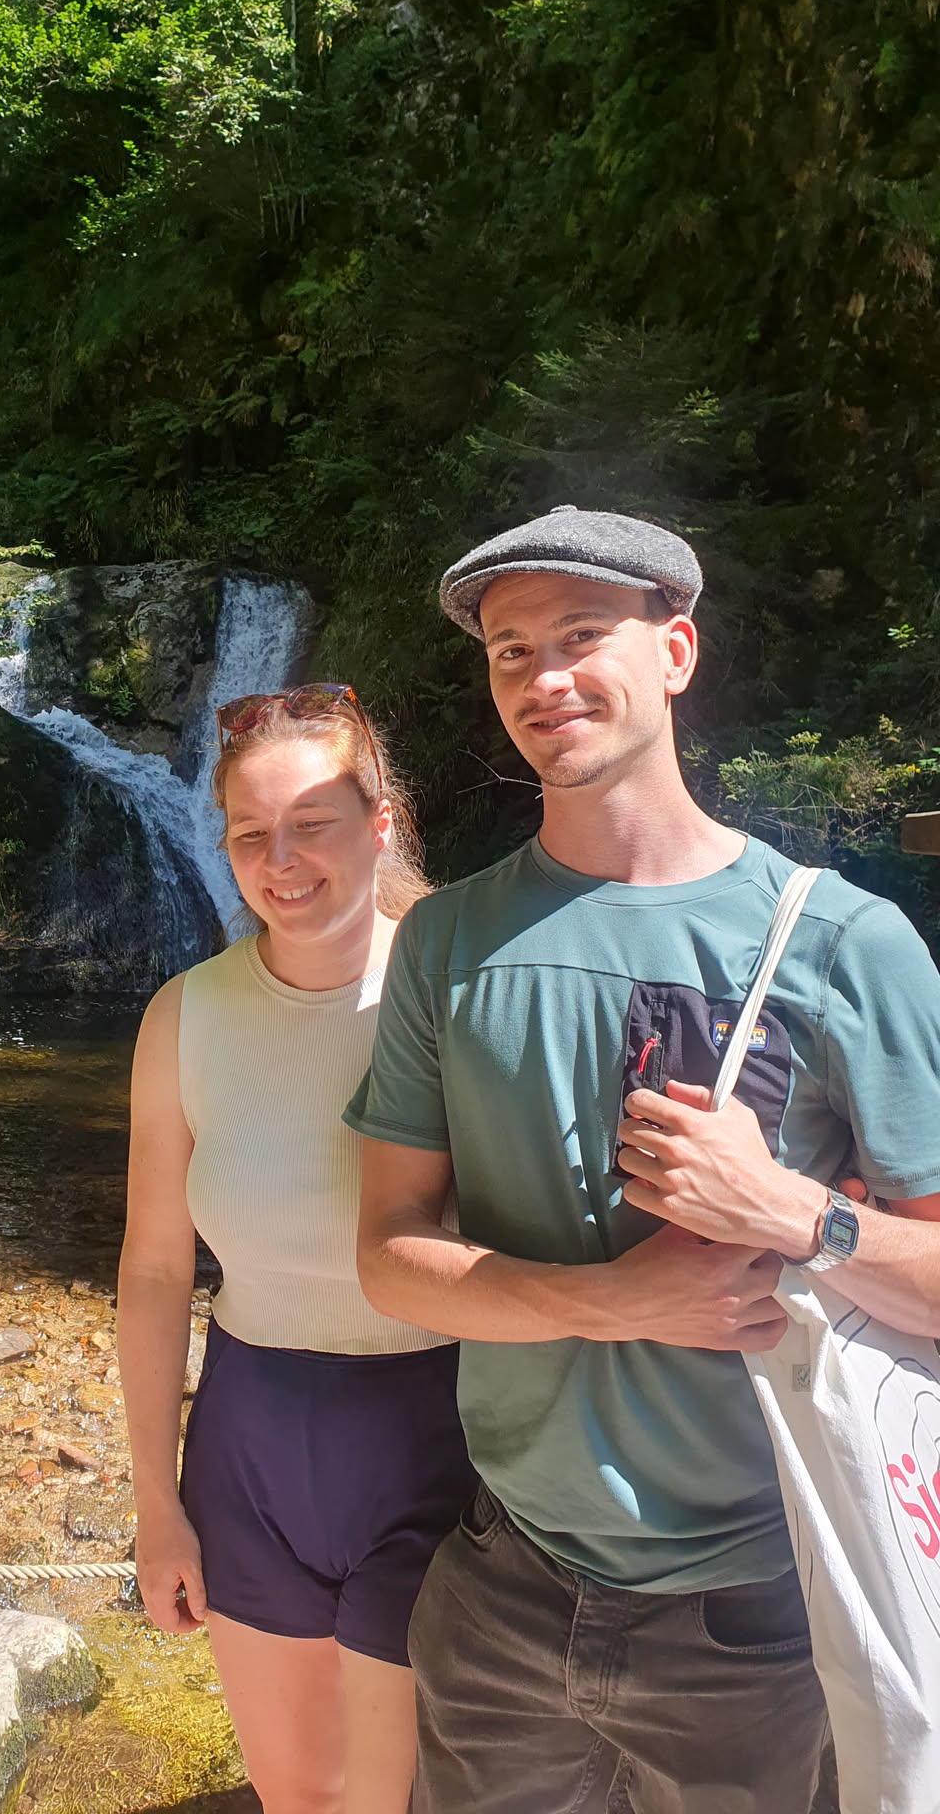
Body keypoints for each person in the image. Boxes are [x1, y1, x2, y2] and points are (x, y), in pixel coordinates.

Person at [348, 505, 940, 1814]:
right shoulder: (446, 945)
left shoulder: (849, 945)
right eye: (510, 651)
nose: (543, 678)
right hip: (502, 1589)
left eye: (581, 636)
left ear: (675, 653)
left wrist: (793, 1212)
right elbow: (388, 1255)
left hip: (765, 1618)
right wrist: (612, 1302)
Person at [117, 683, 474, 1814]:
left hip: (438, 1435)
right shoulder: (183, 1016)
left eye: (311, 824)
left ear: (380, 823)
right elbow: (155, 1271)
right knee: (295, 1798)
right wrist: (157, 1507)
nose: (281, 862)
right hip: (249, 1443)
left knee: (393, 1800)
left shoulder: (459, 993)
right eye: (250, 834)